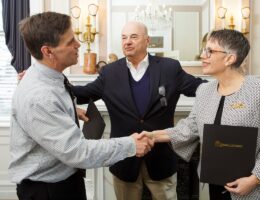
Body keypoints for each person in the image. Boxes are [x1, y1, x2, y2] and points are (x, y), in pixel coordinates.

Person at [9, 12, 153, 200]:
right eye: (70, 42)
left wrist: (67, 111)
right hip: (48, 191)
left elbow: (50, 106)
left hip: (65, 181)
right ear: (48, 51)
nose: (79, 44)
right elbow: (79, 152)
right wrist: (130, 145)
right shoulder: (39, 96)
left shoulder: (49, 76)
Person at [143, 29, 260, 200]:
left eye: (210, 51)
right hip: (216, 184)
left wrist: (254, 180)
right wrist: (152, 136)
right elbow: (190, 127)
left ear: (230, 58)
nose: (203, 55)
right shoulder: (204, 90)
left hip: (255, 190)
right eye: (204, 50)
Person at [72, 21, 206, 200]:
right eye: (124, 37)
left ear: (147, 40)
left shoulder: (169, 68)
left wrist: (231, 83)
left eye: (133, 37)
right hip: (124, 160)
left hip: (161, 158)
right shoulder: (109, 73)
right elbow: (82, 93)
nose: (127, 42)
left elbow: (201, 89)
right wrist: (52, 82)